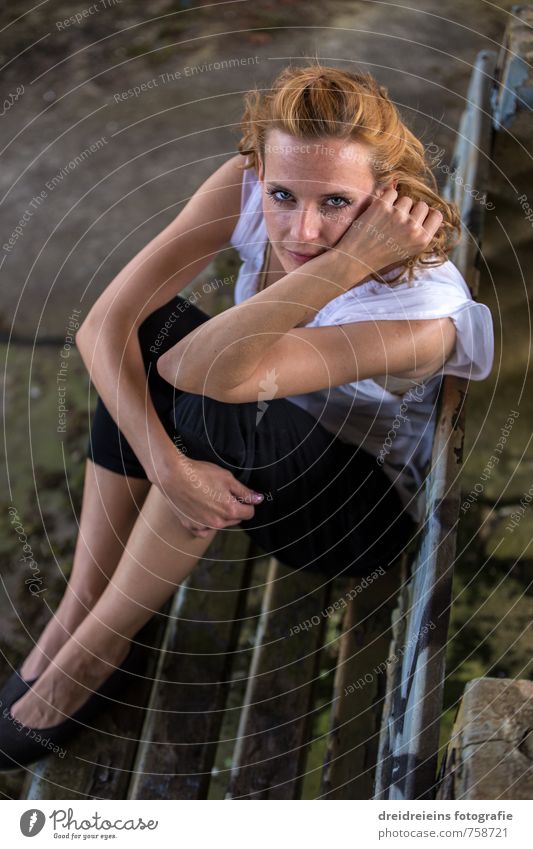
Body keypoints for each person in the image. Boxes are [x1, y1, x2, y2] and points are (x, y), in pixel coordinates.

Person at [0, 63, 493, 770]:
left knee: (209, 397)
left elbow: (204, 374)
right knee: (148, 333)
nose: (302, 227)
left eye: (337, 202)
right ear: (259, 166)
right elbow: (102, 327)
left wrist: (347, 261)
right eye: (282, 193)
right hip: (252, 435)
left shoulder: (419, 312)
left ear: (385, 200)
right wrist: (167, 469)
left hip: (353, 512)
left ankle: (98, 649)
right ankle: (76, 613)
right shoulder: (245, 182)